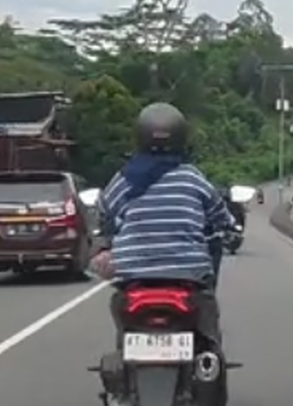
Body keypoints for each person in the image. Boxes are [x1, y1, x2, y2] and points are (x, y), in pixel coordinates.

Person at [89, 102, 236, 359]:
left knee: (119, 302)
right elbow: (219, 213)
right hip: (188, 272)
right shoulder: (191, 177)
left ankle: (125, 355)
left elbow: (104, 210)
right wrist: (228, 227)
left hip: (133, 271)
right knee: (207, 306)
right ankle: (211, 355)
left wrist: (107, 238)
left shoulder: (125, 178)